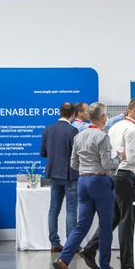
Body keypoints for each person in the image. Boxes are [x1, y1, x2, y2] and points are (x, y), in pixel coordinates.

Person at [52, 102, 124, 269]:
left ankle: (63, 259)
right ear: (103, 118)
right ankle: (105, 267)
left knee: (81, 225)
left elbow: (73, 164)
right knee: (105, 226)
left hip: (82, 181)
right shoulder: (102, 137)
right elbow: (108, 164)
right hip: (100, 181)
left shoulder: (79, 136)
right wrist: (119, 159)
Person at [80, 98, 135, 269]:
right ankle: (127, 261)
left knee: (114, 217)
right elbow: (132, 158)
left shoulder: (115, 127)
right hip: (125, 176)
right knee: (127, 218)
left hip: (113, 176)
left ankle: (89, 249)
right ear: (133, 110)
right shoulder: (133, 130)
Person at [40, 102, 79, 253]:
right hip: (70, 175)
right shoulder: (72, 131)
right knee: (71, 210)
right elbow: (75, 154)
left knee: (54, 209)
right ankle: (71, 243)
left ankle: (54, 243)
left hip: (53, 174)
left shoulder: (47, 130)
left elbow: (43, 153)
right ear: (73, 115)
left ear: (60, 112)